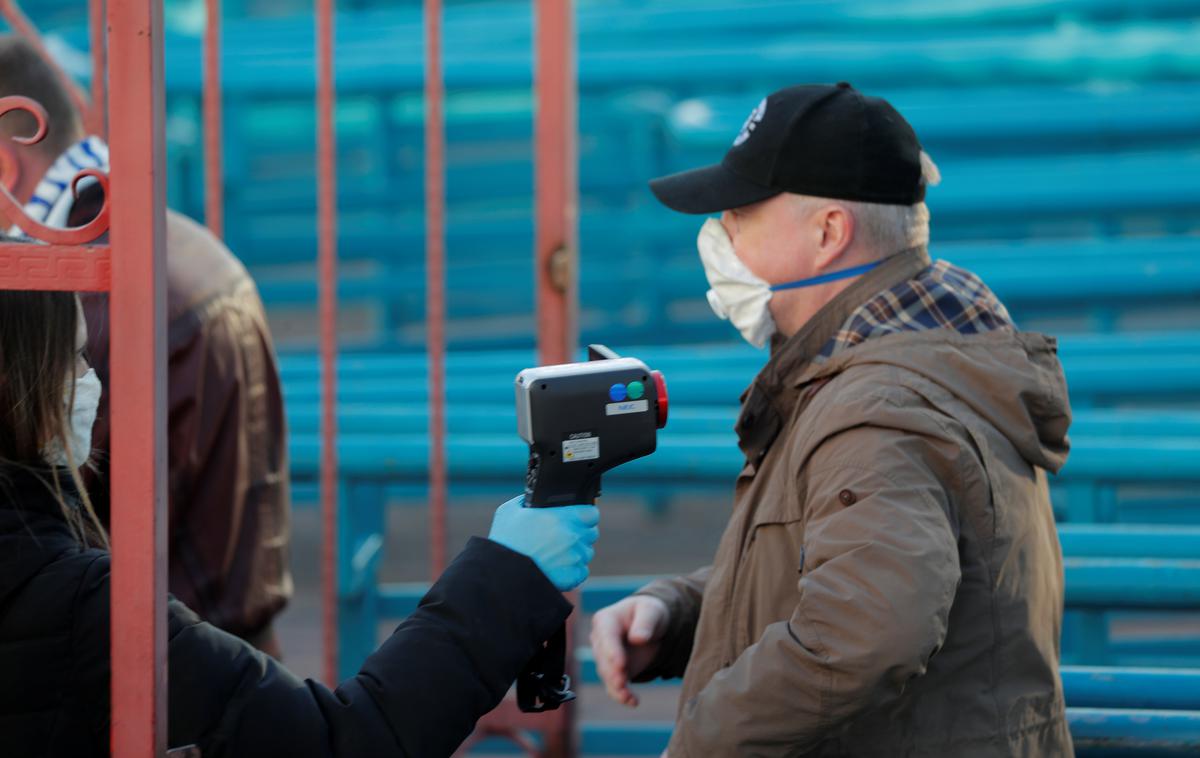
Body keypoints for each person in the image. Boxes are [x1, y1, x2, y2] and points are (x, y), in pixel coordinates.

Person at [591, 83, 1074, 757]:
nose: (720, 234)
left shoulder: (881, 409)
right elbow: (841, 560)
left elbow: (863, 633)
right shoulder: (903, 359)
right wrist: (679, 614)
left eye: (740, 212)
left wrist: (699, 745)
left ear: (828, 233)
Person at [0, 287, 599, 757]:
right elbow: (342, 744)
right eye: (75, 355)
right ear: (17, 382)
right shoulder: (81, 602)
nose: (89, 379)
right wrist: (507, 576)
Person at [0, 35, 292, 656]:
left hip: (160, 678)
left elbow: (48, 530)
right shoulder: (160, 240)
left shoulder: (78, 290)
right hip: (228, 656)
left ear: (8, 163)